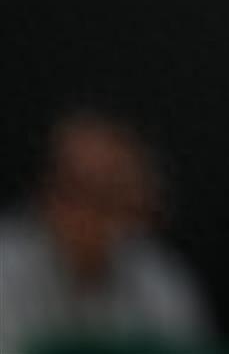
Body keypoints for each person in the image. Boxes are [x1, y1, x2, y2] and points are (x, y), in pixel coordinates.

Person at [0, 108, 214, 354]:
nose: (108, 218)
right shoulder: (6, 269)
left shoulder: (159, 277)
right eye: (94, 195)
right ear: (50, 195)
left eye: (121, 197)